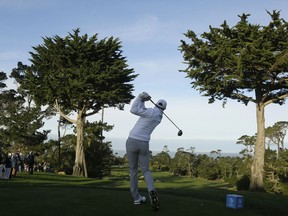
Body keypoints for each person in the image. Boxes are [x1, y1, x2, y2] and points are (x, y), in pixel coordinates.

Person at [126, 92, 167, 211]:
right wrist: (143, 100)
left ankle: (136, 198)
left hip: (132, 141)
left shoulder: (151, 111)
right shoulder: (159, 117)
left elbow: (133, 110)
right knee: (146, 170)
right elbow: (142, 110)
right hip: (144, 144)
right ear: (163, 109)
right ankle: (152, 191)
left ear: (156, 105)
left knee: (133, 170)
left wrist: (140, 97)